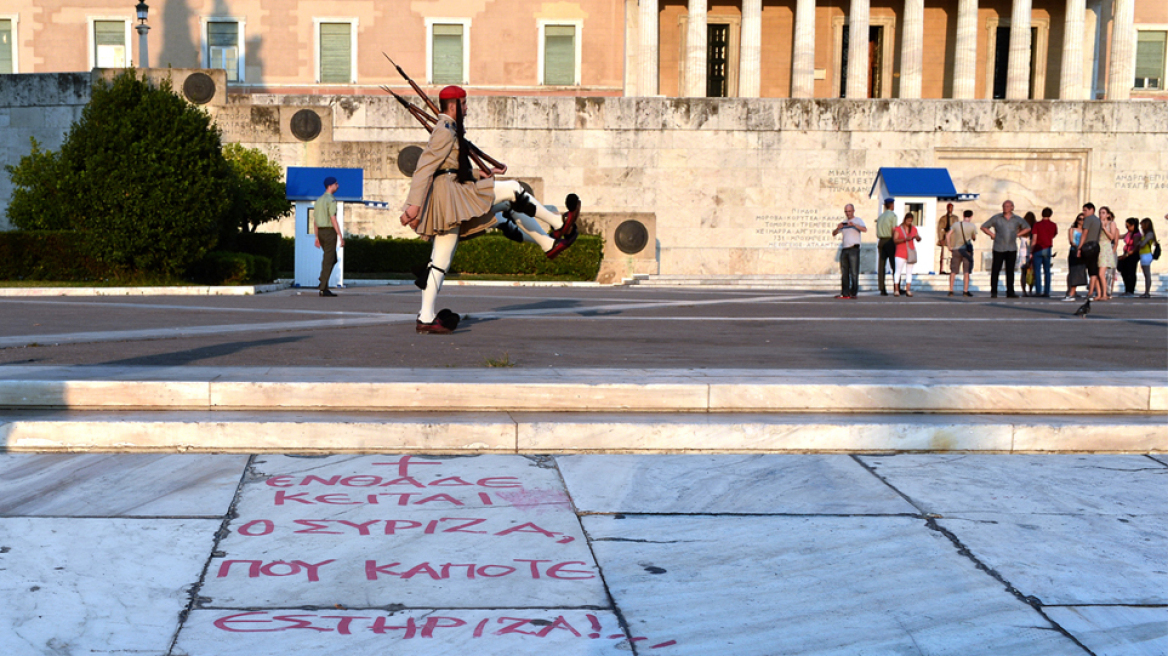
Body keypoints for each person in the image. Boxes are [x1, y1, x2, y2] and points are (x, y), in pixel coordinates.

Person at [400, 85, 581, 334]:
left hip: (452, 194)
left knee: (440, 262)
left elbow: (449, 168)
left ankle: (426, 317)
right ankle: (559, 223)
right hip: (450, 197)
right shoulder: (443, 130)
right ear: (453, 106)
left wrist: (482, 173)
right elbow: (425, 167)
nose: (467, 108)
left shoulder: (448, 128)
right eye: (463, 104)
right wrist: (414, 205)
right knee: (514, 190)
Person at [980, 200, 1031, 298]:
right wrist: (992, 234)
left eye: (1008, 206)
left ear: (1012, 207)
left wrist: (1017, 234)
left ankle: (1010, 292)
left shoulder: (1017, 219)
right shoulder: (997, 218)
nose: (1005, 208)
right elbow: (984, 227)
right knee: (995, 270)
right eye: (1004, 206)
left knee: (1010, 271)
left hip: (1011, 248)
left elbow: (1027, 227)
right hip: (999, 247)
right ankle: (994, 291)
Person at [314, 176, 343, 297]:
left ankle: (323, 279)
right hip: (329, 232)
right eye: (336, 184)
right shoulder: (330, 200)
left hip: (321, 232)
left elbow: (315, 220)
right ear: (330, 186)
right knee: (328, 259)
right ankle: (323, 286)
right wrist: (340, 235)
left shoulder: (319, 200)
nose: (338, 186)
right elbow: (333, 218)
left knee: (332, 258)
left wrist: (316, 236)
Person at [832, 203, 866, 299]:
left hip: (854, 249)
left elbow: (864, 229)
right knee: (844, 272)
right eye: (846, 211)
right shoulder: (844, 223)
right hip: (845, 249)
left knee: (854, 272)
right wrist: (838, 228)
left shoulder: (858, 220)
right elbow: (834, 233)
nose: (848, 213)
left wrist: (854, 225)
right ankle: (845, 292)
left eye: (850, 211)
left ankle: (853, 292)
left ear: (853, 211)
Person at [946, 209, 977, 297]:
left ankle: (951, 290)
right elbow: (974, 237)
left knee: (953, 271)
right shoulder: (972, 226)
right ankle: (965, 291)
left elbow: (948, 235)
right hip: (967, 250)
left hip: (956, 249)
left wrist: (949, 246)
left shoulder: (956, 225)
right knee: (966, 271)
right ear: (971, 216)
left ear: (963, 216)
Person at [1030, 207, 1058, 298]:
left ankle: (1038, 291)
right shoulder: (1053, 225)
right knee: (1047, 271)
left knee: (1037, 271)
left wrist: (1031, 251)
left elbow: (1034, 238)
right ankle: (1047, 291)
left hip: (1038, 248)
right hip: (1048, 247)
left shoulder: (1037, 225)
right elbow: (1054, 235)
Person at [1078, 202, 1104, 300]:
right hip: (1096, 246)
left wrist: (1079, 247)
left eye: (1085, 210)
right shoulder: (1098, 220)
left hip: (1088, 246)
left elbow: (1084, 234)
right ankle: (1097, 292)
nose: (1083, 212)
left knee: (1091, 270)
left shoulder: (1088, 219)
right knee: (1093, 269)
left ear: (1091, 210)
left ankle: (1090, 292)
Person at [892, 212, 921, 297]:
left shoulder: (914, 229)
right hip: (900, 253)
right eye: (908, 221)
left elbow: (918, 237)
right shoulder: (898, 229)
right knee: (898, 271)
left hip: (910, 253)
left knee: (909, 272)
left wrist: (918, 238)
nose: (909, 223)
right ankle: (896, 290)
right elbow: (895, 240)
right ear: (905, 220)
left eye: (911, 221)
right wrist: (905, 239)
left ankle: (908, 290)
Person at [875, 198, 898, 296]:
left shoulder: (880, 217)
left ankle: (882, 288)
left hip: (881, 240)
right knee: (894, 265)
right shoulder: (893, 215)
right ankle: (896, 287)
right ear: (891, 205)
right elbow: (894, 229)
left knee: (881, 266)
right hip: (889, 240)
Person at [1064, 214, 1086, 301]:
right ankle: (1070, 289)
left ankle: (1074, 290)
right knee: (1072, 271)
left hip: (1082, 251)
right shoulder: (1072, 229)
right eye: (1079, 219)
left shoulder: (1085, 230)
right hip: (1074, 250)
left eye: (1083, 219)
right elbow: (1071, 240)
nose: (1081, 221)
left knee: (1078, 271)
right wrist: (1076, 247)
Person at [1116, 218, 1141, 296]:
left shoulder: (1137, 235)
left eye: (1128, 226)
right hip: (1126, 253)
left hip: (1132, 255)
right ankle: (1127, 289)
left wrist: (1127, 255)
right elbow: (1121, 236)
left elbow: (1136, 247)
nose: (1127, 228)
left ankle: (1130, 290)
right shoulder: (1128, 233)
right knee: (1124, 272)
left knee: (1130, 272)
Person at [1098, 206, 1119, 299]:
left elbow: (1112, 237)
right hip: (1098, 247)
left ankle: (1105, 294)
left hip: (1106, 248)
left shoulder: (1111, 223)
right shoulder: (1098, 223)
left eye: (1103, 212)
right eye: (1100, 212)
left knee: (1101, 273)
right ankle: (1100, 294)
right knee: (1097, 273)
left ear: (1108, 214)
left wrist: (1104, 228)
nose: (1101, 214)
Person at [1138, 218, 1158, 298]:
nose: (1141, 227)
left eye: (1142, 225)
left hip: (1146, 255)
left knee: (1147, 274)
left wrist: (1139, 242)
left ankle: (1147, 292)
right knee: (1146, 274)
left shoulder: (1149, 234)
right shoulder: (1146, 234)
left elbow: (1143, 244)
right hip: (1143, 255)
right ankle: (1146, 292)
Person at [1019, 210, 1036, 296]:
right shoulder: (1034, 230)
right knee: (1031, 272)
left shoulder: (1021, 229)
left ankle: (1024, 291)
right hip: (1031, 252)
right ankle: (1030, 290)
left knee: (1023, 273)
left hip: (1022, 253)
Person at [937, 202, 957, 275]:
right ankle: (943, 270)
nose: (950, 209)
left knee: (951, 256)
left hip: (953, 240)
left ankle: (950, 270)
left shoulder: (955, 218)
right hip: (945, 239)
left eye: (951, 208)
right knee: (944, 256)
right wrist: (940, 238)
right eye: (949, 208)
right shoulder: (943, 218)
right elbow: (940, 229)